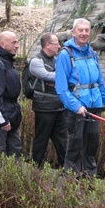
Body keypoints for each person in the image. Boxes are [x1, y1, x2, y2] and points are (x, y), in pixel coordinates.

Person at [55, 18, 105, 177]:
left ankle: (90, 176)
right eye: (80, 30)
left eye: (86, 30)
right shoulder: (66, 54)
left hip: (94, 106)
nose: (84, 33)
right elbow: (62, 89)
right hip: (76, 107)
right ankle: (71, 175)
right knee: (75, 143)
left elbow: (99, 82)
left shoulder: (92, 53)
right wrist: (76, 106)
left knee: (92, 142)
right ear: (73, 32)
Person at [29, 33, 67, 168]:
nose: (59, 46)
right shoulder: (36, 61)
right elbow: (46, 75)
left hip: (59, 106)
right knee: (42, 139)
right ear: (47, 45)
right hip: (44, 107)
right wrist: (62, 76)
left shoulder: (56, 60)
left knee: (62, 140)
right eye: (56, 43)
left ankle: (67, 168)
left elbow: (61, 74)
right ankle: (36, 167)